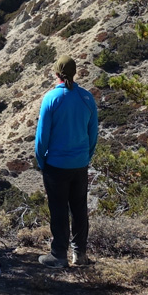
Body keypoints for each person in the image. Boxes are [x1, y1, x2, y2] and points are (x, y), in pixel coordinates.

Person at [33, 56, 99, 267]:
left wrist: (42, 160)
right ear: (74, 73)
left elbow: (42, 137)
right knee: (79, 208)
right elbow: (93, 134)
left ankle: (58, 255)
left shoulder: (51, 98)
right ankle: (79, 255)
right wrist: (85, 157)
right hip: (79, 164)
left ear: (56, 74)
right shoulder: (87, 98)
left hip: (56, 164)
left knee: (59, 209)